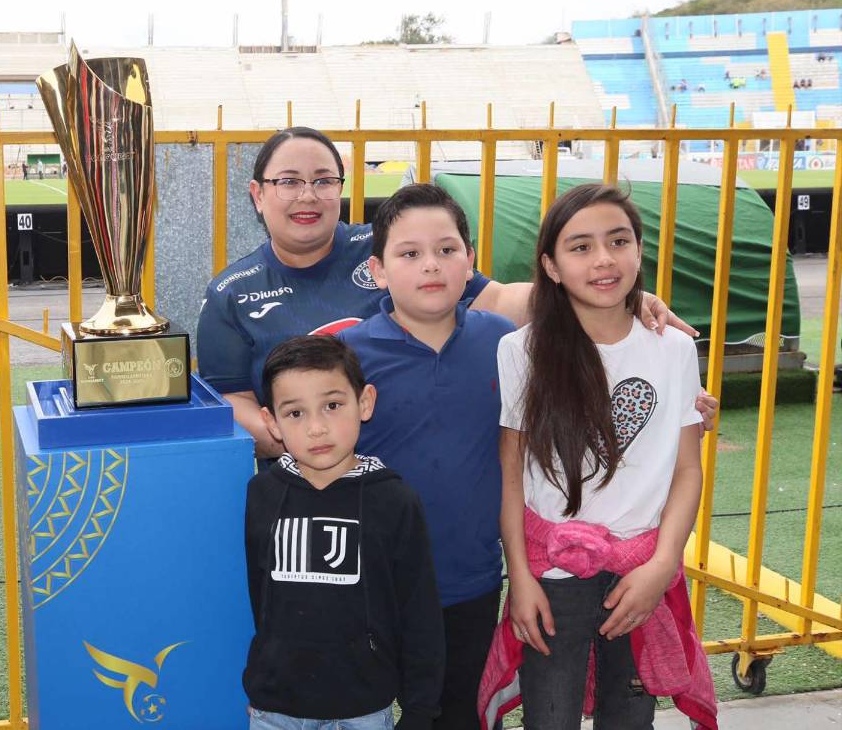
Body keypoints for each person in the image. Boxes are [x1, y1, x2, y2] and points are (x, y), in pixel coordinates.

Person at [196, 127, 694, 465]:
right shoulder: (230, 294)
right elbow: (230, 401)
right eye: (289, 182)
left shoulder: (389, 242)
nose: (308, 195)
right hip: (319, 487)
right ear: (257, 194)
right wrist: (301, 437)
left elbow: (498, 300)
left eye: (324, 181)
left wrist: (609, 299)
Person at [479, 184, 717, 730]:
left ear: (639, 251)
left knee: (631, 717)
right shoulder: (521, 350)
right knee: (550, 717)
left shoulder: (675, 349)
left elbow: (687, 469)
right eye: (581, 247)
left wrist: (662, 566)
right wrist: (521, 578)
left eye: (619, 241)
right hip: (553, 574)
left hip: (642, 573)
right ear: (552, 266)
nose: (604, 259)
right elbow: (511, 475)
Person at [339, 184, 516, 729]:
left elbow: (567, 399)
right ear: (378, 270)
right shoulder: (349, 357)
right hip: (372, 584)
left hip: (471, 579)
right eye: (409, 253)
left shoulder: (503, 341)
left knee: (459, 713)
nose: (431, 265)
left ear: (470, 260)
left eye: (446, 249)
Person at [243, 334, 445, 730]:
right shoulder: (260, 495)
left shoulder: (394, 501)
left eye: (332, 406)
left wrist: (420, 710)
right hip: (275, 709)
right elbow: (257, 597)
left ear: (364, 402)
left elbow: (419, 611)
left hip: (362, 710)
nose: (317, 428)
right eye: (295, 413)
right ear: (271, 422)